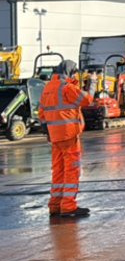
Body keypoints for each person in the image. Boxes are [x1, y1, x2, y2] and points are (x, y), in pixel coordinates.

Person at [38, 60, 93, 219]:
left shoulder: (48, 87)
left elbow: (42, 113)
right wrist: (92, 84)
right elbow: (86, 100)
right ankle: (68, 206)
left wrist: (48, 131)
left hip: (55, 136)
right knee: (71, 169)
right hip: (69, 135)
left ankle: (55, 205)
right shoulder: (67, 88)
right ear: (69, 72)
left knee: (58, 170)